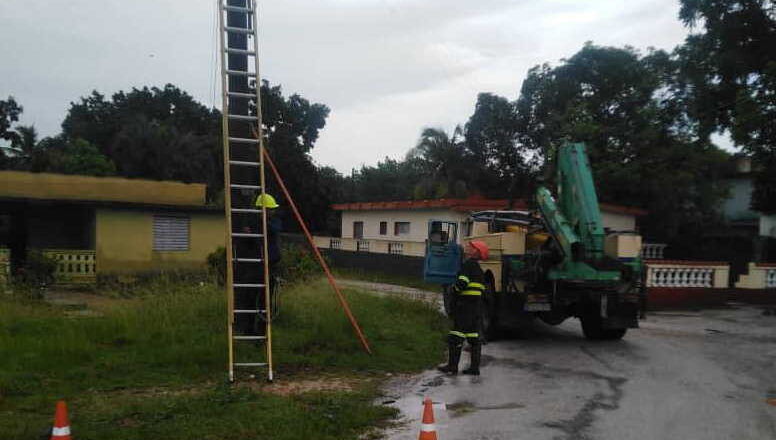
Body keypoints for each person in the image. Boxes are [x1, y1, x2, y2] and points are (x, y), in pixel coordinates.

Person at [438, 240, 489, 376]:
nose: (466, 246)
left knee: (456, 336)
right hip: (476, 307)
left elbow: (462, 283)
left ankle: (452, 367)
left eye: (470, 246)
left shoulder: (468, 265)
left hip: (464, 306)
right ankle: (474, 368)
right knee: (474, 338)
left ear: (475, 251)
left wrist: (452, 290)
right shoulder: (479, 269)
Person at [255, 193, 282, 315]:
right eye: (271, 210)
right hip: (258, 263)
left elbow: (274, 229)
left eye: (273, 210)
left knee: (268, 293)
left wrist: (264, 221)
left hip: (271, 261)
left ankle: (266, 316)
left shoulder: (274, 222)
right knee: (257, 294)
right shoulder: (255, 223)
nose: (273, 212)